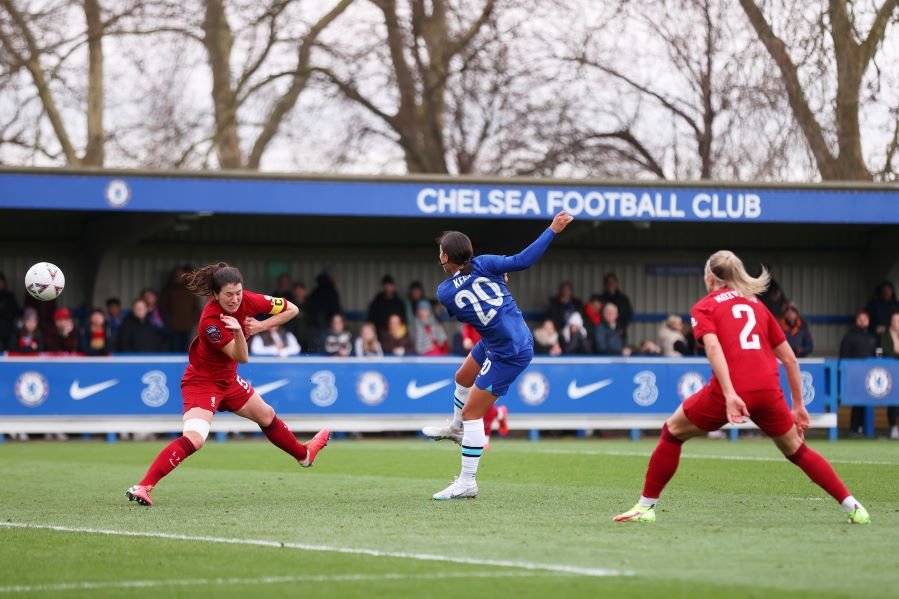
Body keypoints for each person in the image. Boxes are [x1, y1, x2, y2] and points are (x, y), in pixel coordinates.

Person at [614, 250, 870, 525]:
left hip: (733, 390)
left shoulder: (705, 306)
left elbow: (712, 347)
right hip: (769, 390)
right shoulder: (757, 305)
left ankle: (645, 507)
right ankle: (853, 506)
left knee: (672, 432)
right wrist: (799, 406)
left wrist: (730, 394)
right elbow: (790, 358)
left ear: (711, 278)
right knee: (797, 450)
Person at [125, 262, 329, 507]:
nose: (235, 299)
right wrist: (240, 332)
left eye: (239, 293)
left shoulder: (250, 300)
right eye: (229, 295)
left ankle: (304, 455)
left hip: (228, 380)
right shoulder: (210, 321)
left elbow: (292, 309)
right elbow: (241, 356)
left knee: (266, 415)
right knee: (196, 438)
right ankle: (144, 486)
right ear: (215, 295)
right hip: (202, 382)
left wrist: (262, 325)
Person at [421, 210, 573, 500]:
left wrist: (497, 284)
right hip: (500, 337)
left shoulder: (444, 292)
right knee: (462, 376)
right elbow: (522, 261)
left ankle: (467, 482)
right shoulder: (485, 263)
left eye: (440, 251)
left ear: (444, 258)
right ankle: (455, 429)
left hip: (510, 351)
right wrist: (552, 229)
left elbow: (468, 301)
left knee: (473, 413)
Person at [839, 310, 878, 436]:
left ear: (868, 320)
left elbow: (876, 356)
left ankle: (864, 428)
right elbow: (843, 356)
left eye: (865, 319)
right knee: (856, 402)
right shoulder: (849, 337)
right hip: (854, 375)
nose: (862, 321)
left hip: (870, 376)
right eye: (860, 319)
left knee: (866, 402)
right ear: (857, 320)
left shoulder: (872, 337)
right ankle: (854, 428)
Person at [160, 265, 201, 352]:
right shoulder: (168, 290)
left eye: (181, 275)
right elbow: (162, 308)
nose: (179, 277)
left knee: (186, 350)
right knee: (174, 349)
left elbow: (196, 308)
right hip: (173, 328)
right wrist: (168, 322)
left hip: (188, 327)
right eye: (177, 275)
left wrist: (193, 321)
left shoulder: (190, 290)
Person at [305, 272, 342, 352]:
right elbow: (336, 309)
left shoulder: (315, 292)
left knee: (315, 346)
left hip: (314, 326)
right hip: (326, 325)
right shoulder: (332, 292)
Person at [880, 311, 899, 439]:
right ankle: (893, 427)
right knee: (893, 400)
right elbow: (887, 352)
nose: (897, 323)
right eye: (895, 320)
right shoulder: (885, 336)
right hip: (891, 372)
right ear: (891, 322)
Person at [599, 273, 633, 338]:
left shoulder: (623, 298)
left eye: (613, 282)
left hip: (620, 330)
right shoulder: (601, 298)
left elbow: (629, 314)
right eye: (609, 282)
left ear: (616, 283)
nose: (611, 284)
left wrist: (623, 328)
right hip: (604, 331)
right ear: (605, 284)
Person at [0, 272, 19, 351]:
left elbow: (16, 311)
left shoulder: (9, 296)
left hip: (9, 330)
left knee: (11, 350)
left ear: (4, 283)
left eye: (0, 282)